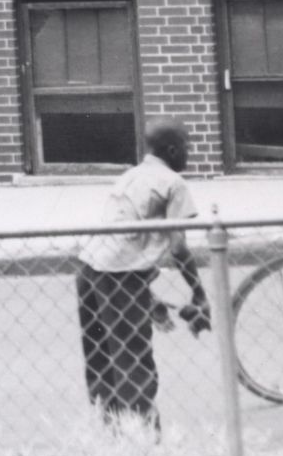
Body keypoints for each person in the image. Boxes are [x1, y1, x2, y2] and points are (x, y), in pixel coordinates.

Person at [75, 124, 209, 429]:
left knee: (101, 357)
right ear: (173, 150)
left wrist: (146, 296)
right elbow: (177, 245)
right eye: (187, 147)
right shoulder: (174, 183)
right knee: (133, 358)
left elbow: (122, 245)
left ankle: (109, 428)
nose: (190, 153)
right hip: (120, 275)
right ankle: (145, 436)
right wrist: (198, 292)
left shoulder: (130, 175)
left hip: (89, 270)